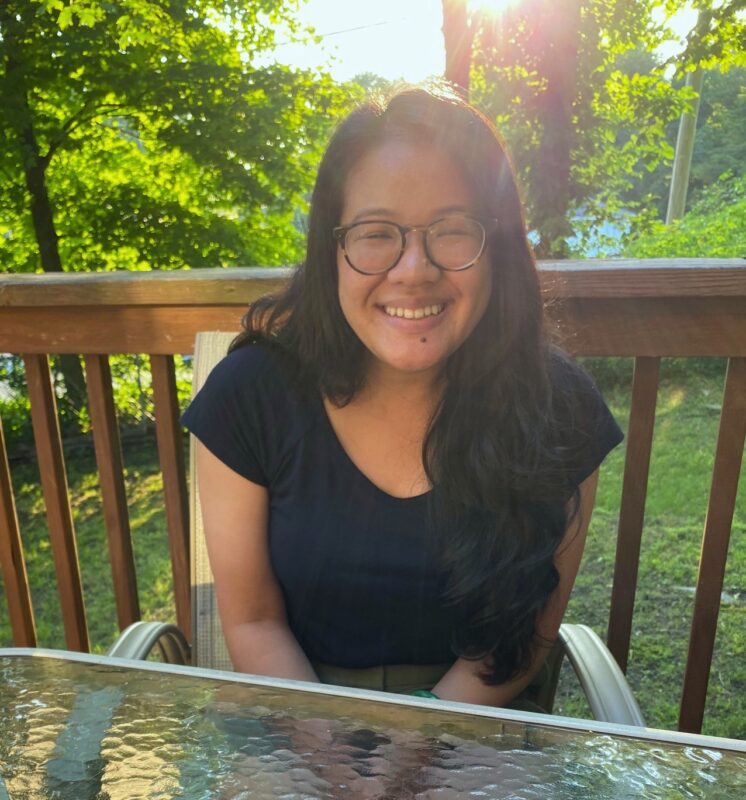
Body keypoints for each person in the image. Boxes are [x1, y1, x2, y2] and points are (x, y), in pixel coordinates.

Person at [182, 83, 623, 710]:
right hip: (294, 713)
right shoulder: (248, 396)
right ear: (331, 249)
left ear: (496, 246)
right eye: (375, 233)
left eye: (452, 229)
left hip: (474, 721)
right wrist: (330, 748)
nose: (413, 269)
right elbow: (254, 622)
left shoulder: (558, 409)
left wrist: (419, 746)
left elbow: (523, 635)